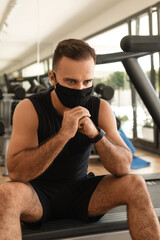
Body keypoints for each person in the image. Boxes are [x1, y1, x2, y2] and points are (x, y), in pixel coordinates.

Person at [1, 39, 159, 240]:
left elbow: (123, 168)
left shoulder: (100, 108)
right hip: (38, 196)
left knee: (136, 183)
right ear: (53, 78)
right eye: (71, 82)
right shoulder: (29, 108)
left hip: (82, 193)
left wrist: (96, 135)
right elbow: (16, 173)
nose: (80, 89)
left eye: (87, 82)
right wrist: (63, 135)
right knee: (7, 194)